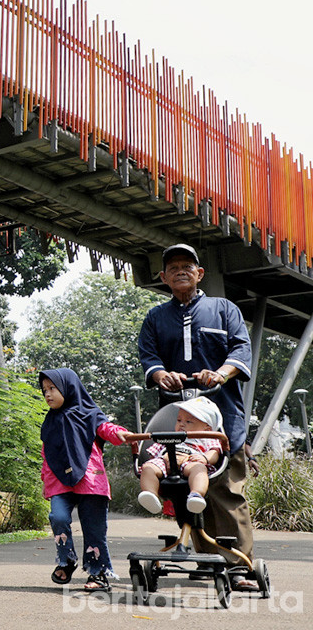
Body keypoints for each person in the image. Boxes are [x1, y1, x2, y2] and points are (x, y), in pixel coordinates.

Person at [137, 243, 257, 590]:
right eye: (172, 267)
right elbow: (148, 354)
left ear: (199, 273)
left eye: (187, 266)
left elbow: (240, 348)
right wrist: (160, 374)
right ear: (163, 277)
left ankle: (240, 567)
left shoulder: (223, 309)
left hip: (223, 417)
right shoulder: (156, 317)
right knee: (183, 487)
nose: (180, 271)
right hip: (176, 420)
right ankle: (207, 559)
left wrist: (221, 373)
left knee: (227, 490)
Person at [39, 368, 130, 593]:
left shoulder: (90, 413)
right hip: (59, 480)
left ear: (68, 388)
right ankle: (66, 560)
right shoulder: (49, 422)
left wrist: (119, 433)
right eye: (44, 390)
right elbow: (47, 454)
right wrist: (46, 480)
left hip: (90, 480)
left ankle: (98, 572)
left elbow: (106, 429)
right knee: (57, 517)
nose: (48, 394)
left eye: (52, 388)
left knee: (94, 528)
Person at [138, 396, 223, 515]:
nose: (182, 424)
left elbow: (215, 452)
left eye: (188, 421)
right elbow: (154, 452)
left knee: (199, 470)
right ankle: (151, 495)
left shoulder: (205, 438)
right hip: (165, 459)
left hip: (190, 460)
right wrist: (151, 462)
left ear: (207, 428)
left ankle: (196, 495)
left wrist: (205, 458)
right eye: (179, 420)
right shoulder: (170, 436)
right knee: (148, 468)